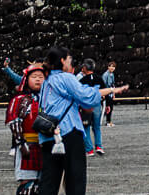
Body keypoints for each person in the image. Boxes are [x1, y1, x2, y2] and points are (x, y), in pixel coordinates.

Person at [37, 44, 121, 194]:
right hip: (68, 131)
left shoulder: (47, 80)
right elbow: (86, 97)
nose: (72, 61)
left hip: (48, 133)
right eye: (69, 58)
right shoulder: (65, 78)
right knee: (75, 179)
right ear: (62, 60)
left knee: (50, 181)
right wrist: (112, 90)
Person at [7, 63, 45, 195]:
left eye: (41, 76)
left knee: (43, 185)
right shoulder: (19, 99)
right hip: (27, 145)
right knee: (27, 185)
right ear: (26, 79)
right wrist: (21, 143)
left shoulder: (49, 99)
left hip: (46, 145)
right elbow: (14, 122)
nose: (38, 79)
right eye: (34, 76)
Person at [76, 59, 100, 157]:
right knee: (96, 127)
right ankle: (99, 146)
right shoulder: (98, 77)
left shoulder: (80, 78)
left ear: (84, 68)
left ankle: (89, 149)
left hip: (86, 104)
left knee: (85, 127)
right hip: (97, 103)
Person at [100, 62, 116, 128]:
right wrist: (103, 94)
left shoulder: (112, 74)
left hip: (110, 92)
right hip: (106, 92)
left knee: (110, 107)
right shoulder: (105, 75)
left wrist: (114, 93)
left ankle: (108, 121)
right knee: (108, 107)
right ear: (108, 67)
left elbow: (113, 84)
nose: (112, 68)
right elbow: (103, 85)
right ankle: (107, 122)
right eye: (111, 66)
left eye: (113, 66)